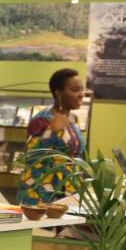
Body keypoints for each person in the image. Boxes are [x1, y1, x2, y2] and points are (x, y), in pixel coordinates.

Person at [16, 68, 86, 205]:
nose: (81, 95)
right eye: (75, 90)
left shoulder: (73, 119)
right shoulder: (42, 120)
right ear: (59, 93)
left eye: (82, 89)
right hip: (42, 191)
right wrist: (51, 131)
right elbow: (30, 156)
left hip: (69, 189)